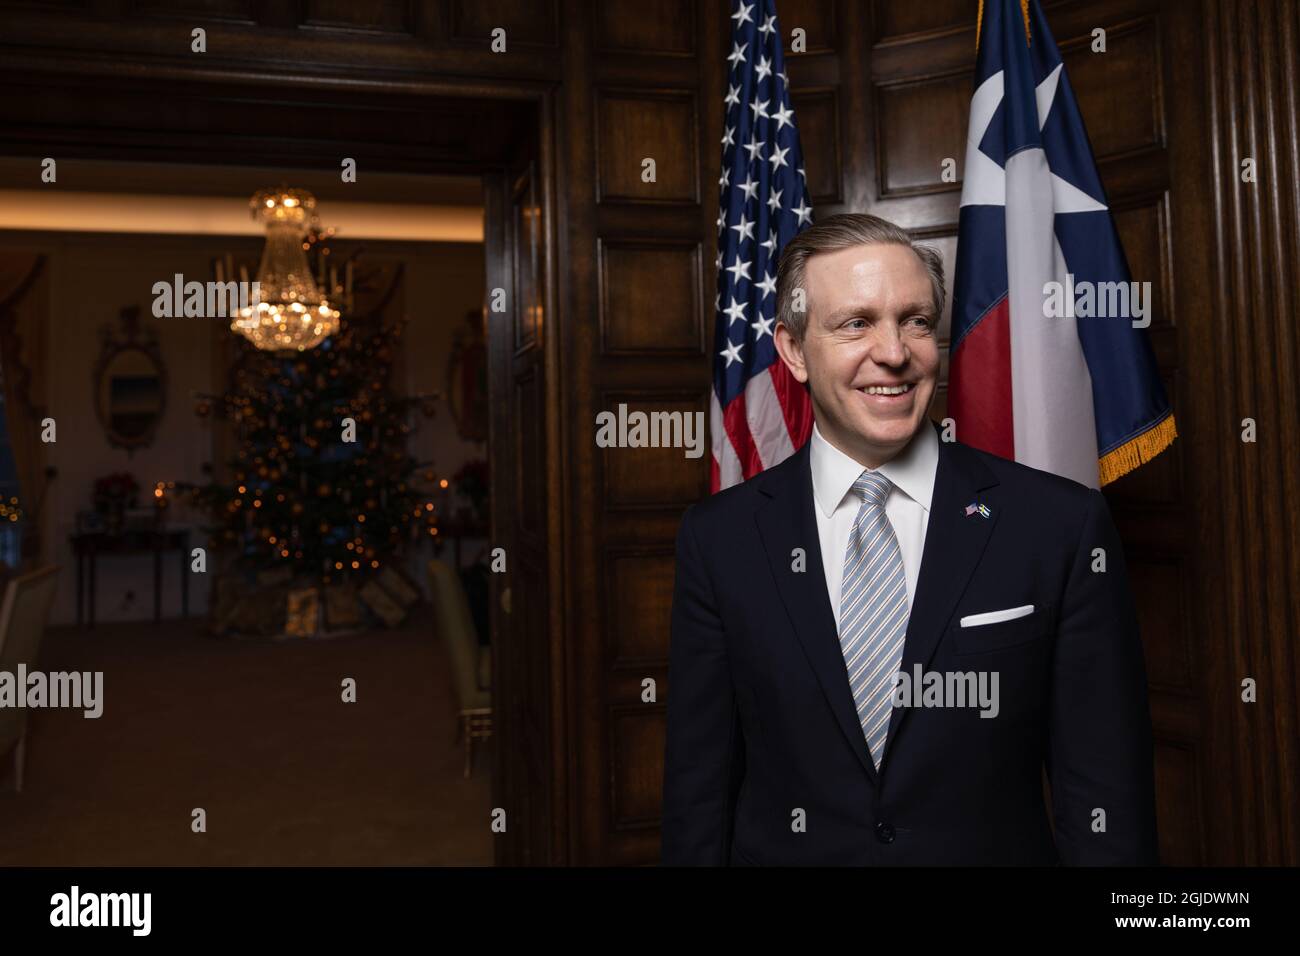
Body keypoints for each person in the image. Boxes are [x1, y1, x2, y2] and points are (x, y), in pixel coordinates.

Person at [661, 213, 1158, 865]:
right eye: (856, 323)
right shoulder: (720, 541)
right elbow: (698, 799)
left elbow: (1107, 797)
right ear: (793, 349)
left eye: (916, 321)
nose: (894, 353)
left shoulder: (1059, 525)